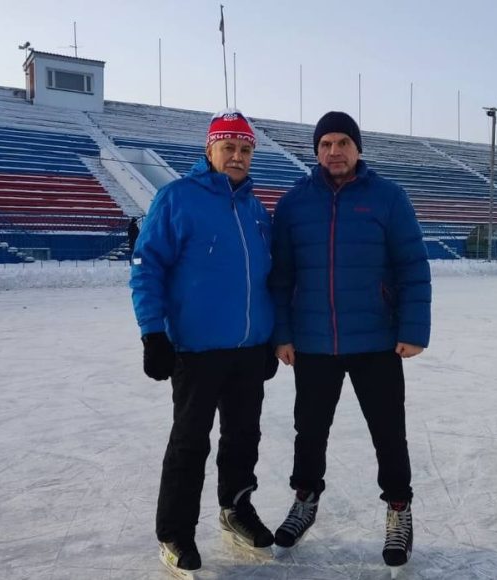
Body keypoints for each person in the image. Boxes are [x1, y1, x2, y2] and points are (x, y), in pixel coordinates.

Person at [269, 111, 431, 569]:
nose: (334, 151)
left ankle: (398, 509)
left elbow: (412, 267)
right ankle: (305, 500)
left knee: (388, 432)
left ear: (358, 148)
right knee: (310, 431)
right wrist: (282, 333)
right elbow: (280, 276)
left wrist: (413, 330)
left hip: (377, 340)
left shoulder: (388, 198)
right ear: (316, 150)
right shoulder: (294, 203)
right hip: (313, 341)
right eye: (325, 144)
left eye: (342, 142)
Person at [129, 108, 278, 577]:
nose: (237, 156)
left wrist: (270, 337)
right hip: (195, 350)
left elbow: (266, 277)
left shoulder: (256, 207)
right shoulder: (177, 198)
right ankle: (175, 532)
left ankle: (235, 509)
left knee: (243, 438)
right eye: (228, 147)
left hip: (249, 350)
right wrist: (153, 332)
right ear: (209, 150)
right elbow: (146, 266)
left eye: (245, 149)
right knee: (190, 443)